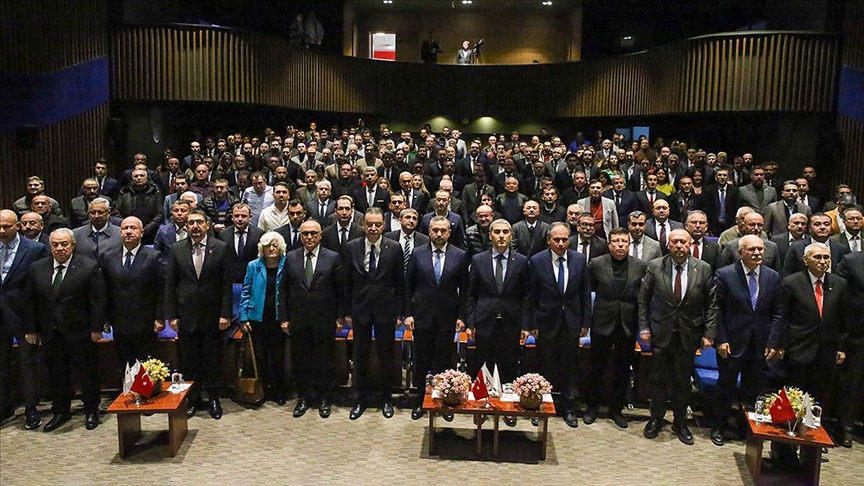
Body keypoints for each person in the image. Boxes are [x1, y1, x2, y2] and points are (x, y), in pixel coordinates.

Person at [639, 228, 717, 445]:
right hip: (661, 332)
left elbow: (711, 304)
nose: (679, 246)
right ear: (668, 245)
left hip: (689, 333)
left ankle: (680, 422)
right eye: (675, 242)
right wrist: (644, 328)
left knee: (682, 381)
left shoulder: (703, 268)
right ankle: (656, 418)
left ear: (690, 244)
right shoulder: (655, 266)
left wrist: (709, 333)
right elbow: (643, 300)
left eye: (683, 242)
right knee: (658, 379)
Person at [24, 228, 107, 431]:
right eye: (55, 245)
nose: (60, 248)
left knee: (87, 373)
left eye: (64, 244)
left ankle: (91, 411)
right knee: (56, 374)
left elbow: (97, 301)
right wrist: (31, 329)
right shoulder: (37, 268)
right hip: (50, 332)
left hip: (80, 331)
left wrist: (96, 328)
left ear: (72, 245)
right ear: (50, 246)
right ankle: (61, 411)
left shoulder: (88, 266)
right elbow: (30, 301)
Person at [710, 235, 783, 446]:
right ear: (741, 252)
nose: (757, 253)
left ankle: (746, 429)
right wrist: (720, 339)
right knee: (726, 387)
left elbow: (778, 313)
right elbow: (716, 310)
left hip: (759, 344)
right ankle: (719, 426)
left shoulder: (773, 277)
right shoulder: (725, 274)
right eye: (752, 249)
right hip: (731, 342)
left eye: (760, 249)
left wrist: (773, 342)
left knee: (753, 390)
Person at [165, 210, 233, 420]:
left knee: (212, 359)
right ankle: (193, 400)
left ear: (207, 224)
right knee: (189, 361)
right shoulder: (177, 249)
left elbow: (226, 285)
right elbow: (170, 284)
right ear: (186, 226)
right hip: (186, 315)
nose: (195, 226)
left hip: (213, 315)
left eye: (199, 222)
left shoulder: (220, 247)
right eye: (191, 223)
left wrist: (225, 314)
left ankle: (213, 399)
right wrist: (172, 315)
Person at [405, 216, 470, 420]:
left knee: (444, 361)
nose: (439, 234)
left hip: (447, 316)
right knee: (421, 361)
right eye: (435, 230)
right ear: (429, 231)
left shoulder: (460, 255)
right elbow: (408, 286)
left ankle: (445, 402)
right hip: (421, 315)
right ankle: (419, 401)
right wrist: (408, 313)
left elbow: (465, 290)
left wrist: (462, 316)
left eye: (443, 230)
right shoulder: (417, 253)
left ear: (449, 233)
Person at [528, 222, 592, 428]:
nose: (561, 243)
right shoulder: (537, 261)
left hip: (571, 322)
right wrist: (532, 322)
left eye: (565, 239)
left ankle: (569, 408)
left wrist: (585, 322)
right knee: (544, 366)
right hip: (546, 322)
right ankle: (540, 406)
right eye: (557, 240)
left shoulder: (579, 260)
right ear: (549, 241)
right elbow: (531, 295)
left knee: (570, 367)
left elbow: (585, 294)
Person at [344, 208, 404, 420]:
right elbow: (346, 282)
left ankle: (386, 399)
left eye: (377, 224)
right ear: (363, 225)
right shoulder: (352, 247)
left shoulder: (394, 247)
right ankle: (360, 399)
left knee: (386, 356)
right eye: (369, 224)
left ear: (384, 225)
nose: (373, 228)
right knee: (360, 356)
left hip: (386, 310)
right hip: (359, 310)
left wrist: (400, 313)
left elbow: (400, 282)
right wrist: (346, 312)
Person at [281, 220, 345, 418]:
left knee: (325, 360)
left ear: (320, 235)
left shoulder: (333, 257)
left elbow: (340, 290)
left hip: (324, 319)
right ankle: (304, 398)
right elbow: (283, 290)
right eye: (305, 234)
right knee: (301, 360)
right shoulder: (290, 257)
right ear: (300, 236)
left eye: (313, 234)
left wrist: (340, 317)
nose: (309, 237)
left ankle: (325, 398)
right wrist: (284, 318)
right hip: (298, 319)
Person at [779, 242, 848, 424]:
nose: (822, 261)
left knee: (819, 394)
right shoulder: (792, 282)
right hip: (798, 348)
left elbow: (844, 318)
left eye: (826, 258)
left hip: (826, 350)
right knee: (793, 393)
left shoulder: (840, 284)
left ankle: (812, 429)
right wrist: (781, 345)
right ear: (805, 260)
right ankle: (788, 430)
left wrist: (841, 347)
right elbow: (782, 317)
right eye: (817, 257)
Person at [585, 228, 648, 428]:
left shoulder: (640, 266)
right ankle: (592, 407)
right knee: (597, 367)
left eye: (624, 241)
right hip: (602, 322)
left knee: (622, 369)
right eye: (616, 241)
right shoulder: (596, 264)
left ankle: (616, 410)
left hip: (627, 324)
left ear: (629, 244)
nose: (621, 245)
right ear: (609, 244)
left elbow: (643, 298)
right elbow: (587, 293)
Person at [0, 210, 48, 429]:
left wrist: (34, 325)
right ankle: (5, 408)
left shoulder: (35, 250)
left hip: (24, 316)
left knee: (29, 366)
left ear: (17, 226)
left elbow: (40, 289)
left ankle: (31, 409)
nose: (2, 231)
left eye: (6, 226)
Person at [100, 217, 165, 369]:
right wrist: (105, 318)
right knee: (123, 364)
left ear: (142, 233)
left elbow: (162, 289)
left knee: (145, 366)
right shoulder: (108, 257)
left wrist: (160, 317)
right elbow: (104, 289)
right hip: (119, 321)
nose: (128, 231)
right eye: (125, 228)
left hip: (146, 322)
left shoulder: (154, 256)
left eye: (133, 228)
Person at [239, 232, 288, 406]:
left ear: (280, 248)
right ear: (262, 248)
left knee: (277, 356)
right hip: (257, 319)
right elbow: (245, 292)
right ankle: (262, 390)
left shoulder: (287, 264)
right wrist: (243, 317)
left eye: (275, 245)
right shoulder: (253, 266)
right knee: (259, 356)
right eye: (268, 246)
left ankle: (277, 390)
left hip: (278, 318)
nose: (271, 249)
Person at [836, 250, 864, 448]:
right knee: (852, 382)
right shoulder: (852, 261)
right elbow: (838, 297)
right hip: (857, 334)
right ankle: (846, 427)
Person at [217, 203, 264, 284]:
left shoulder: (259, 234)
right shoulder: (223, 235)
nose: (240, 219)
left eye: (243, 216)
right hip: (229, 280)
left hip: (252, 278)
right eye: (236, 216)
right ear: (232, 217)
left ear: (250, 217)